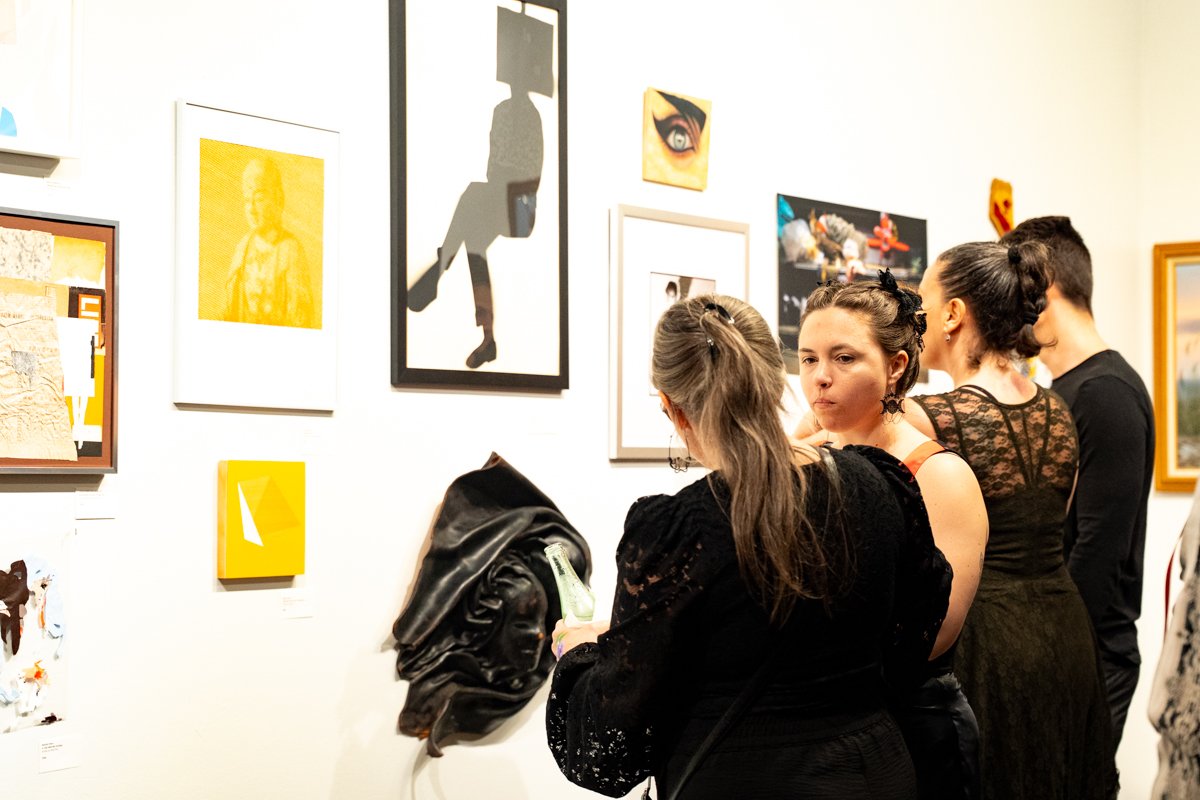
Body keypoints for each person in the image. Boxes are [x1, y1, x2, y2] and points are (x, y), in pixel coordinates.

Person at [545, 294, 951, 799]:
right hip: (876, 768)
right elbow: (916, 627)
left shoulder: (681, 527)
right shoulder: (878, 482)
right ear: (773, 380)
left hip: (746, 778)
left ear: (672, 408)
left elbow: (612, 744)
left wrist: (582, 651)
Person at [906, 241, 1117, 799]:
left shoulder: (927, 417)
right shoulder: (1061, 411)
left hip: (987, 645)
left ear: (952, 314)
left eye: (921, 302)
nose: (914, 318)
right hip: (1065, 635)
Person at [796, 272, 988, 799]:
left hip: (912, 726)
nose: (820, 378)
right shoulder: (807, 459)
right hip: (826, 734)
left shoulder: (939, 475)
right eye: (809, 358)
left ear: (896, 366)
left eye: (844, 358)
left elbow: (933, 635)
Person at [1001, 216, 1154, 749]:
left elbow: (1098, 550)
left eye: (1017, 291)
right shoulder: (1065, 389)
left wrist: (1045, 651)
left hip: (1088, 655)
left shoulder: (1105, 392)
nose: (1009, 311)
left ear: (1047, 290)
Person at [221, 158, 316, 329]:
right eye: (247, 200)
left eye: (259, 198)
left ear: (278, 199)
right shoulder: (242, 248)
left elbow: (301, 317)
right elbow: (228, 309)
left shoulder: (290, 250)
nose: (251, 208)